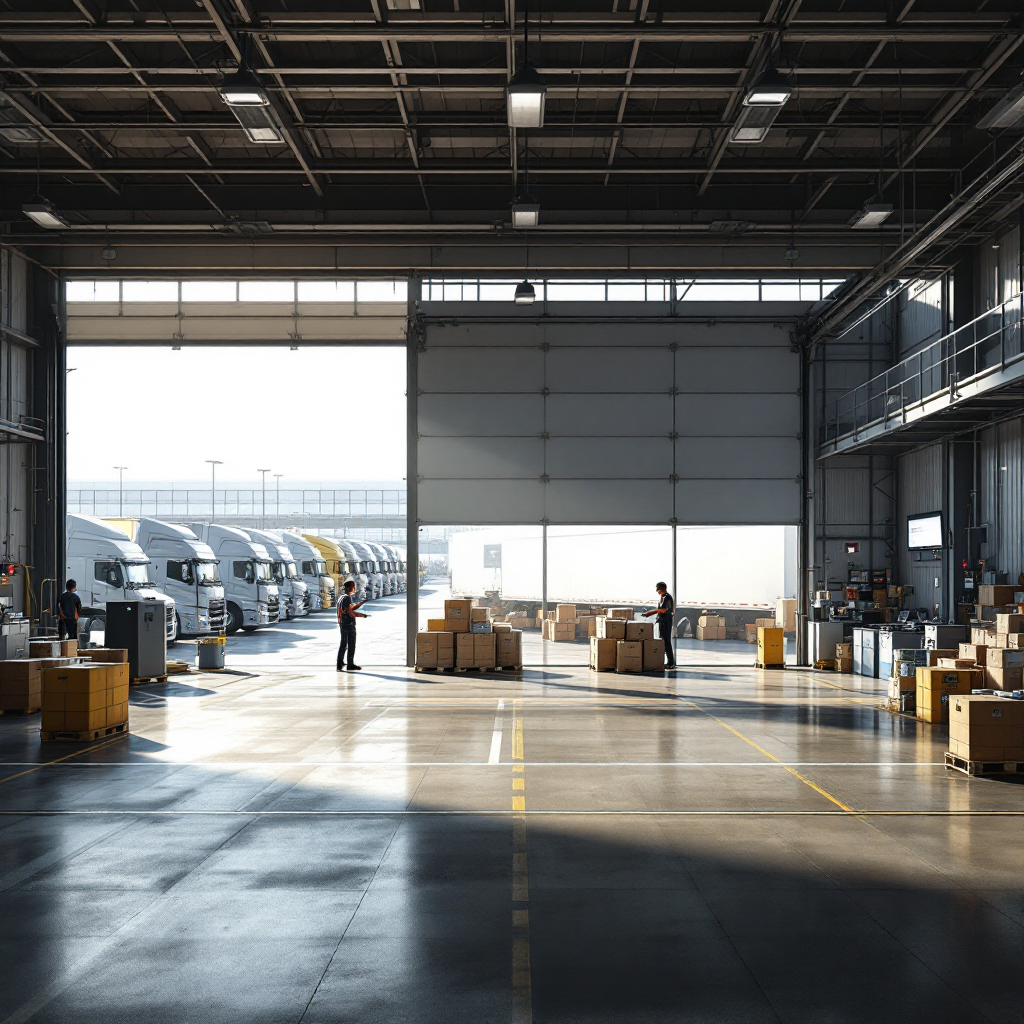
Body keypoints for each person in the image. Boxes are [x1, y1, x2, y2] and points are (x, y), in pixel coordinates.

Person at [642, 581, 676, 668]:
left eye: (658, 589)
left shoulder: (667, 597)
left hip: (666, 621)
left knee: (666, 641)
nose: (657, 591)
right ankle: (666, 661)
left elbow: (664, 610)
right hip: (662, 621)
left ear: (662, 589)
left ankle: (670, 662)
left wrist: (651, 612)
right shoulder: (662, 597)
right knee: (663, 640)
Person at [337, 580, 367, 671]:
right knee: (351, 644)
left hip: (342, 623)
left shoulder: (342, 597)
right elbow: (351, 613)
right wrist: (362, 615)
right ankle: (350, 664)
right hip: (349, 624)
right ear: (349, 588)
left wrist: (360, 603)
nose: (354, 588)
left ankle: (339, 663)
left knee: (343, 644)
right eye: (353, 586)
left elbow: (349, 609)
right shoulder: (347, 598)